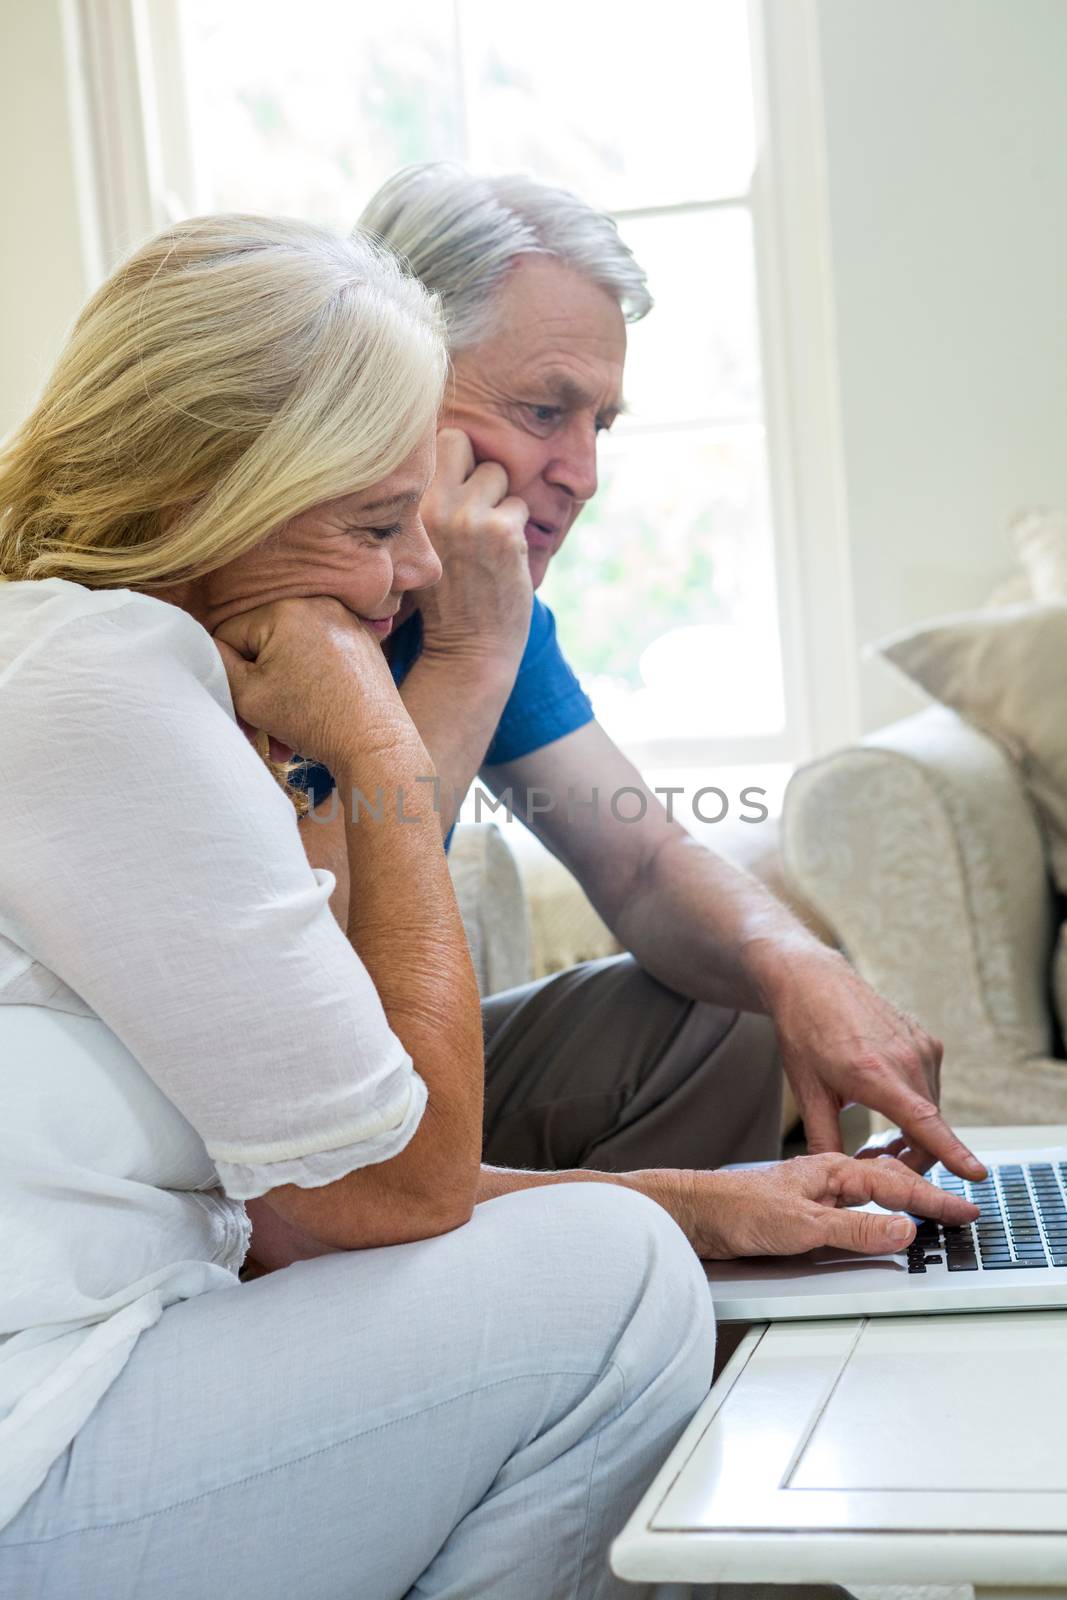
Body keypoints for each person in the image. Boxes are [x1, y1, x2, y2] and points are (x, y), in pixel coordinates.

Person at [0, 213, 723, 1600]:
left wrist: (705, 1198)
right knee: (612, 1278)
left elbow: (304, 1162)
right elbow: (396, 1183)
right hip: (42, 1442)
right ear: (201, 496)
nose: (410, 574)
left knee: (631, 1241)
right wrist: (386, 757)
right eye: (375, 523)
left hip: (100, 1372)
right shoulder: (106, 682)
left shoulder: (108, 663)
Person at [291, 162, 989, 1196]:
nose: (582, 472)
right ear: (388, 365)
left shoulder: (483, 600)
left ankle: (661, 1318)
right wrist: (465, 659)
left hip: (371, 1070)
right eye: (542, 410)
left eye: (599, 425)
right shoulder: (278, 586)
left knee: (731, 1009)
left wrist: (800, 966)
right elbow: (302, 968)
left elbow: (641, 861)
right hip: (265, 1097)